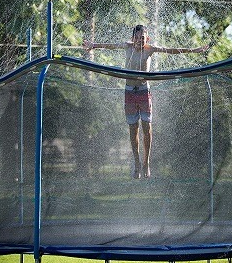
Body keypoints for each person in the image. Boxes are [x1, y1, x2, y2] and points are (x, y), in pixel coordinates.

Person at [83, 24, 209, 179]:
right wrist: (93, 45)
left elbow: (171, 50)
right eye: (137, 38)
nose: (139, 40)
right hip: (129, 92)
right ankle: (136, 163)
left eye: (142, 38)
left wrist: (193, 50)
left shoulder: (150, 49)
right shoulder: (127, 46)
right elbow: (109, 46)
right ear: (132, 38)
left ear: (146, 38)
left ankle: (146, 162)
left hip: (144, 91)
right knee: (133, 129)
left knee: (147, 127)